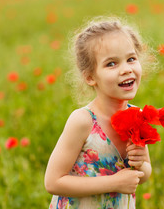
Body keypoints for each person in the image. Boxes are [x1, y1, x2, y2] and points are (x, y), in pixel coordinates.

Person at [44, 17, 154, 209]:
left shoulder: (137, 116)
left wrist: (141, 162)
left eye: (131, 59)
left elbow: (143, 174)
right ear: (90, 77)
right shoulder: (83, 121)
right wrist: (115, 183)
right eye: (111, 64)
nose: (126, 69)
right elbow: (53, 182)